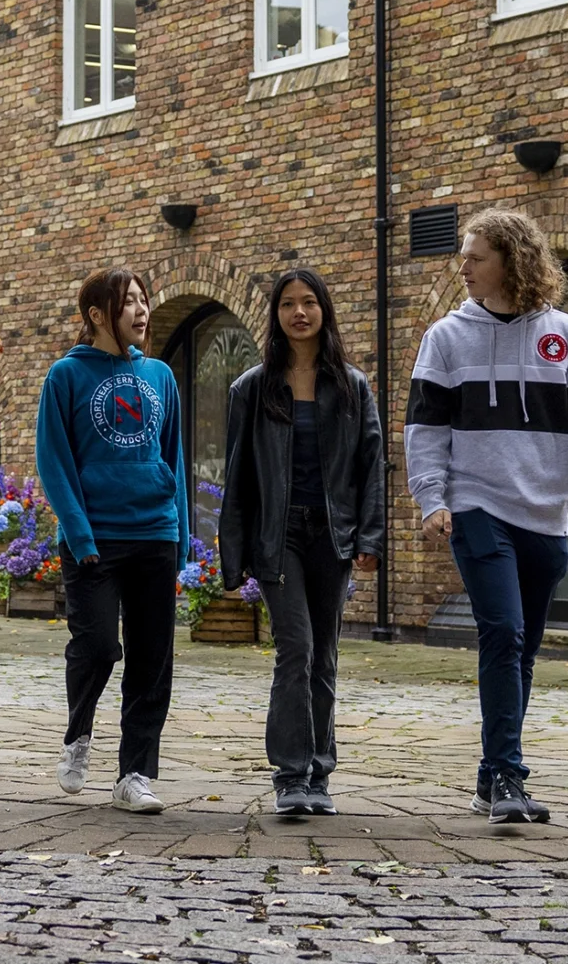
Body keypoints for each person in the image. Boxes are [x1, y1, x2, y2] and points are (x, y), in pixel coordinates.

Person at [406, 208, 568, 826]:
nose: (463, 269)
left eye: (475, 257)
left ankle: (488, 776)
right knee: (503, 631)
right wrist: (433, 498)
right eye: (463, 257)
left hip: (546, 512)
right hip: (476, 504)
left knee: (521, 650)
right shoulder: (445, 338)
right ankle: (507, 776)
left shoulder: (567, 336)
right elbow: (426, 427)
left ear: (511, 260)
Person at [218, 268, 384, 817]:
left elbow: (372, 468)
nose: (299, 313)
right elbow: (238, 475)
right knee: (297, 649)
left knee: (326, 657)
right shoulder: (252, 387)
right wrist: (234, 552)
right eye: (288, 304)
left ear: (323, 311)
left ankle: (319, 774)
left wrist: (370, 537)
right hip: (279, 536)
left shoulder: (354, 387)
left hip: (333, 538)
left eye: (308, 302)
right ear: (276, 316)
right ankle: (290, 776)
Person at [33, 267, 189, 814]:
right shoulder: (65, 377)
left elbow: (174, 458)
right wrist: (79, 533)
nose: (142, 311)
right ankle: (78, 734)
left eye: (144, 300)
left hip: (154, 534)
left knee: (153, 661)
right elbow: (53, 461)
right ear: (98, 315)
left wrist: (182, 538)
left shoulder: (163, 377)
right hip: (93, 539)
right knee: (98, 647)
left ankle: (136, 775)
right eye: (129, 303)